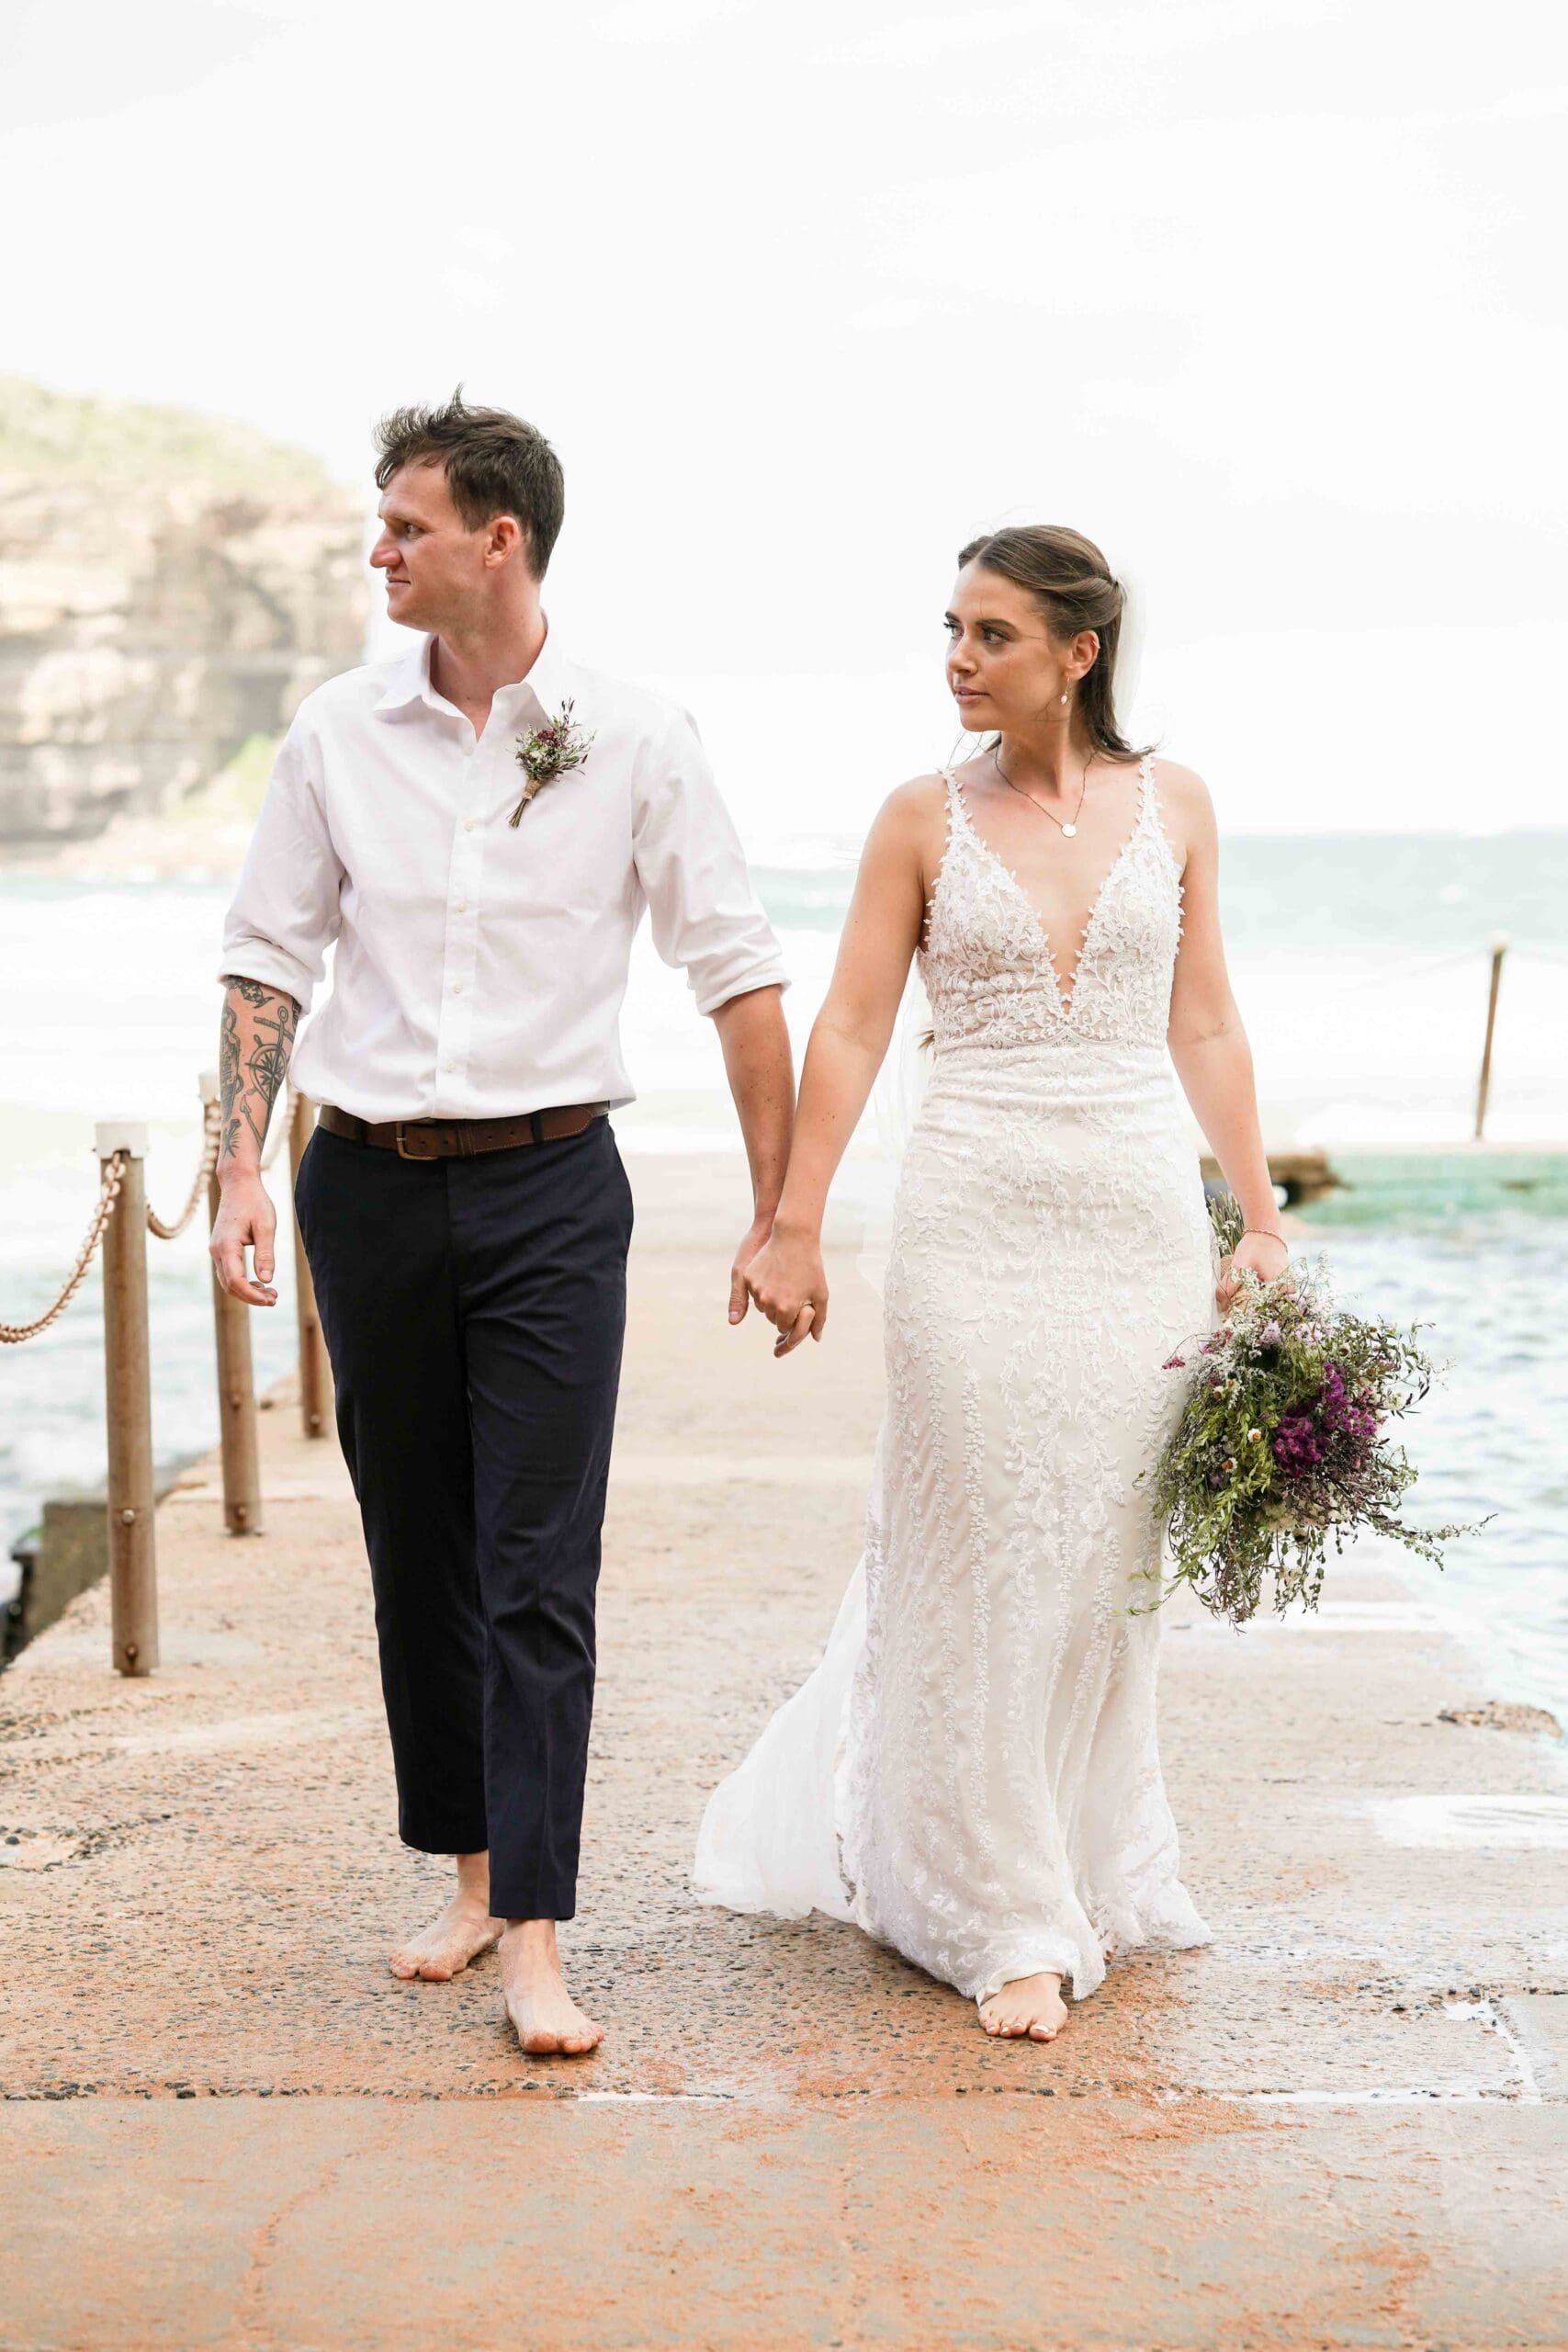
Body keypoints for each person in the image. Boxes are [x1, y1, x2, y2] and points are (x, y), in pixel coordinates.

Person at [211, 393, 793, 2056]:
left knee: (540, 1565)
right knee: (422, 1556)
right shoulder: (335, 731)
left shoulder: (632, 733)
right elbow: (268, 957)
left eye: (403, 526)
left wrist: (781, 1210)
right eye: (379, 523)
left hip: (551, 1187)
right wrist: (245, 1171)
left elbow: (735, 970)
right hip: (366, 1184)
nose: (376, 550)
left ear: (498, 541)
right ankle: (469, 1875)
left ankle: (539, 1931)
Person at [694, 525, 1288, 2041]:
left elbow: (1206, 1026)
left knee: (1095, 1563)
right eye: (950, 629)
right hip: (969, 1223)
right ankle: (991, 1903)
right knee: (978, 1549)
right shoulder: (917, 820)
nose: (957, 658)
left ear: (1078, 653)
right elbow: (847, 1030)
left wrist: (1260, 1221)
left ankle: (1077, 1853)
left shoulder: (1183, 807)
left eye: (991, 634)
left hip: (1136, 1226)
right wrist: (796, 1223)